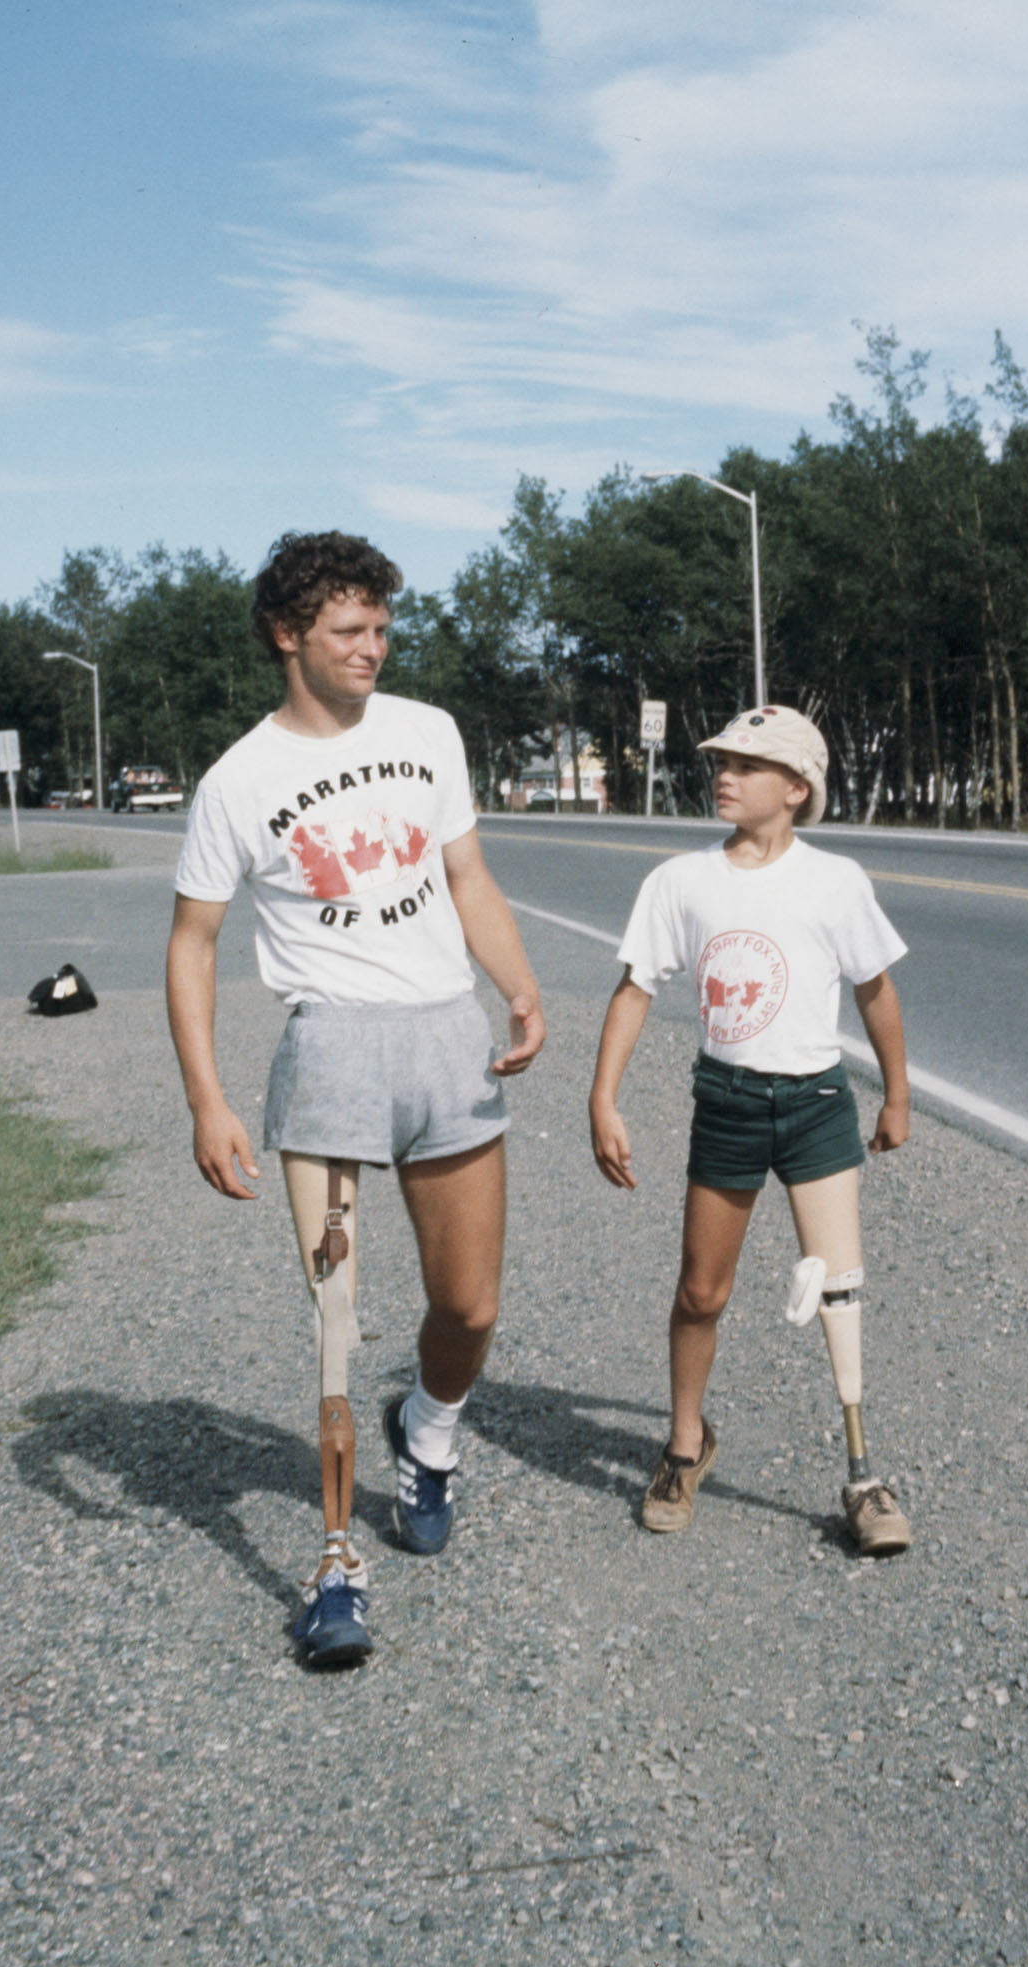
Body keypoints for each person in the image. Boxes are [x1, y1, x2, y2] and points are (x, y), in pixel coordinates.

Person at [166, 530, 545, 1666]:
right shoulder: (239, 779)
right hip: (329, 1051)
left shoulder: (428, 733)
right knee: (336, 1327)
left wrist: (517, 985)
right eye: (348, 631)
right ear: (288, 636)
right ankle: (336, 1569)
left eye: (381, 627)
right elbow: (192, 944)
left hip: (445, 1039)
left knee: (469, 1307)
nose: (372, 647)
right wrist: (208, 1099)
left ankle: (428, 1431)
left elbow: (466, 875)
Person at [588, 705, 911, 1556]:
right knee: (701, 1292)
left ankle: (863, 1475)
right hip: (726, 1104)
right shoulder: (679, 882)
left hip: (814, 1105)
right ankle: (685, 1446)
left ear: (795, 788)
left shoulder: (835, 880)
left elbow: (875, 989)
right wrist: (602, 1099)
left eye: (746, 764)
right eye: (720, 761)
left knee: (839, 1291)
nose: (723, 775)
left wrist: (896, 1096)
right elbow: (634, 989)